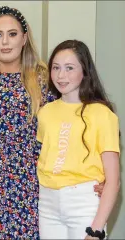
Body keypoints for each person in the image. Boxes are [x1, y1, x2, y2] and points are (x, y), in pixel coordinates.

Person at [0, 6, 104, 239]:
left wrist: (101, 176)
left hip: (34, 184)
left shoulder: (47, 79)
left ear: (25, 38)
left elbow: (81, 124)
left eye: (13, 34)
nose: (5, 42)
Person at [37, 39, 120, 239]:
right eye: (56, 67)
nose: (61, 75)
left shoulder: (102, 114)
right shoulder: (45, 112)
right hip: (47, 202)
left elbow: (114, 180)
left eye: (69, 68)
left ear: (85, 72)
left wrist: (96, 229)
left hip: (84, 202)